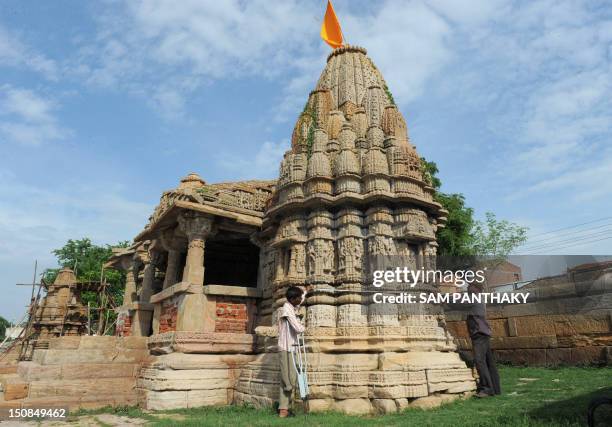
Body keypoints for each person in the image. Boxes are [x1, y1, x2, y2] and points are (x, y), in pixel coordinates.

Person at [466, 281, 501, 397]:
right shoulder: (479, 298)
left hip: (479, 333)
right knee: (489, 362)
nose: (467, 288)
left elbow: (455, 303)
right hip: (483, 333)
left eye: (469, 286)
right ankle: (495, 388)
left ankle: (486, 388)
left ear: (475, 288)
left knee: (479, 360)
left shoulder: (475, 298)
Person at [277, 286, 305, 417]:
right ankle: (283, 409)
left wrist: (305, 292)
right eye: (298, 298)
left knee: (293, 377)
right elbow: (297, 327)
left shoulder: (291, 305)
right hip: (285, 347)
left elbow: (300, 298)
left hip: (292, 347)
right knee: (286, 379)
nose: (300, 300)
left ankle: (289, 407)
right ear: (293, 299)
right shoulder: (287, 310)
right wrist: (303, 326)